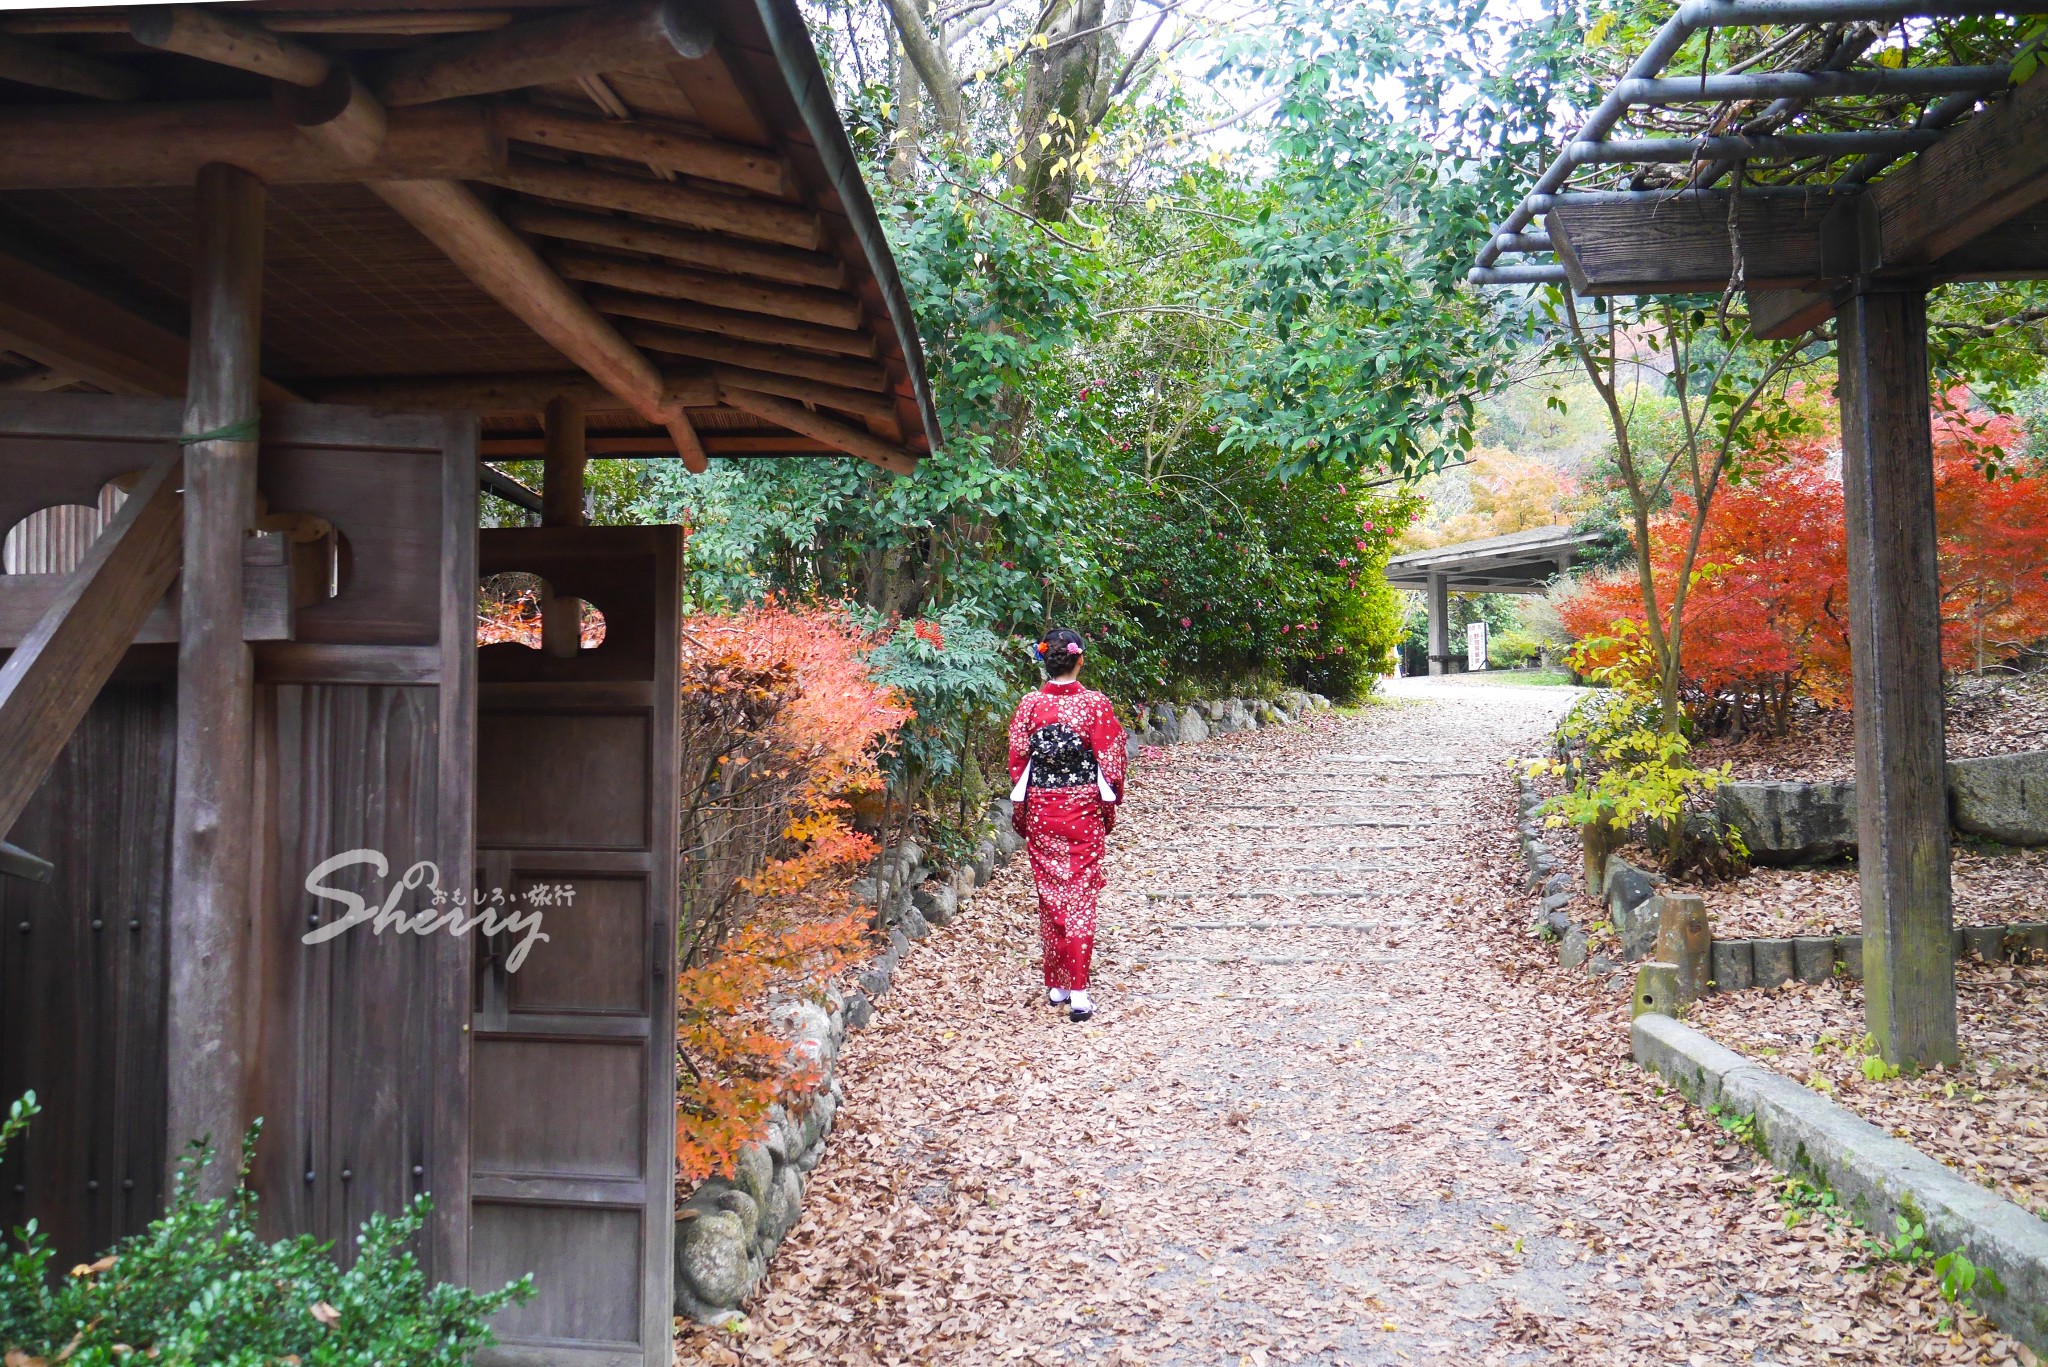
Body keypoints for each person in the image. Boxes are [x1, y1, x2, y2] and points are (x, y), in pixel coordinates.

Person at [1006, 627, 1126, 1022]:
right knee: (1080, 895)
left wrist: (1024, 811)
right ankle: (1077, 989)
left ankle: (1058, 984)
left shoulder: (1029, 706)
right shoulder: (1095, 705)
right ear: (1080, 659)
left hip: (1042, 808)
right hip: (1081, 811)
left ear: (1045, 660)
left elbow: (1019, 763)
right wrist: (1107, 808)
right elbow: (1111, 765)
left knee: (1051, 894)